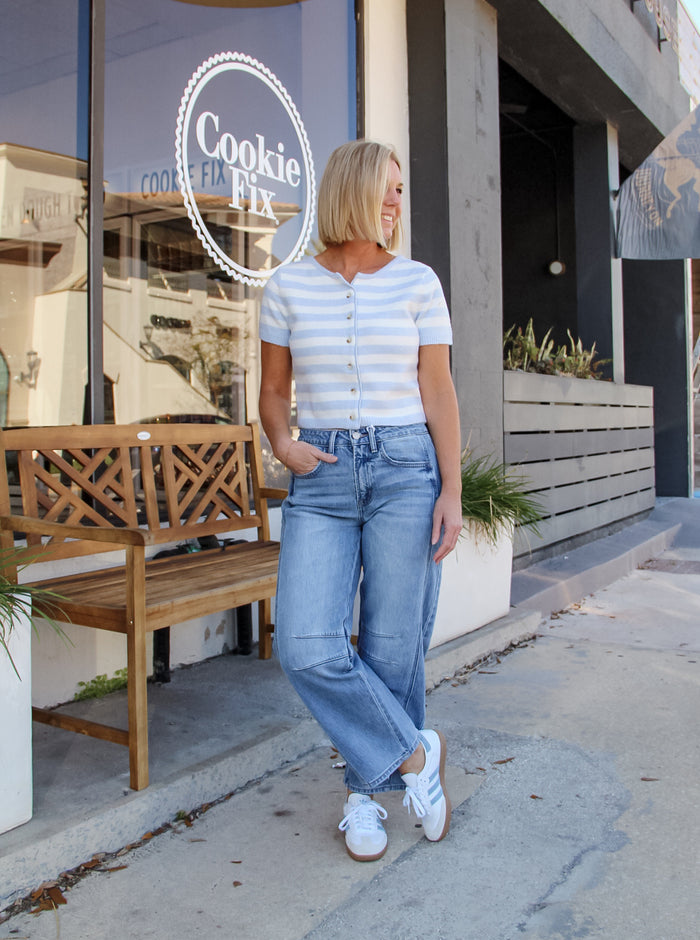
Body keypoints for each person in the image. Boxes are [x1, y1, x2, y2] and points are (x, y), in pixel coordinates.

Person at [258, 139, 462, 862]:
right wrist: (281, 443)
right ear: (351, 189)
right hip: (321, 474)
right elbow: (274, 392)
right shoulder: (287, 287)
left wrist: (453, 489)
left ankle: (362, 800)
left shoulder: (417, 283)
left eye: (402, 191)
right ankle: (414, 757)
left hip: (407, 468)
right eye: (387, 187)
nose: (396, 202)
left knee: (390, 647)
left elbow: (438, 391)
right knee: (306, 645)